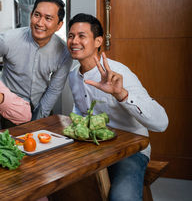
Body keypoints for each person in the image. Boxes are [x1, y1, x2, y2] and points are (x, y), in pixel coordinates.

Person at [66, 13, 168, 201]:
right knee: (63, 187)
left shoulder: (118, 73)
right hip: (94, 148)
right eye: (71, 36)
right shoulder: (73, 75)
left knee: (122, 197)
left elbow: (162, 123)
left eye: (82, 36)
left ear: (98, 41)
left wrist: (121, 94)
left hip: (130, 150)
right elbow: (80, 110)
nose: (74, 41)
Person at [0, 0, 72, 125]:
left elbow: (54, 89)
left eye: (48, 18)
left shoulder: (64, 52)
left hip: (41, 108)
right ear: (31, 15)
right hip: (11, 109)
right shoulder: (6, 40)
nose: (40, 23)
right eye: (37, 15)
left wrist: (38, 119)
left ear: (59, 25)